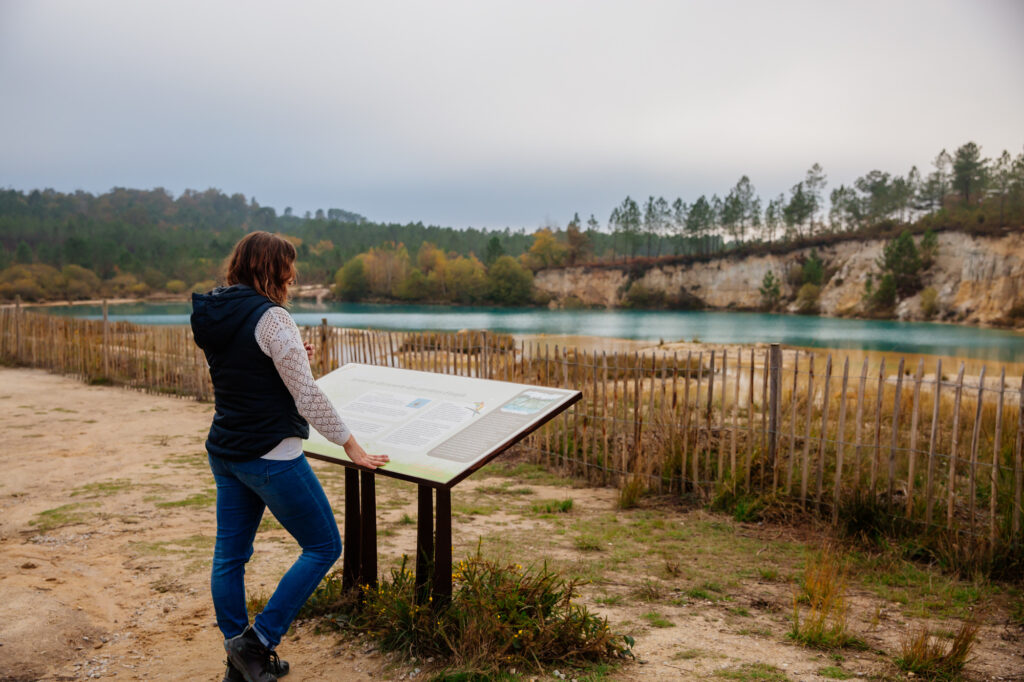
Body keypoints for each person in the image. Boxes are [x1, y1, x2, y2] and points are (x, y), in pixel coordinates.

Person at [191, 231, 389, 682]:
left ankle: (239, 664)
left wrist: (291, 357)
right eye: (288, 267)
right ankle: (257, 643)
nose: (293, 276)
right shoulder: (274, 318)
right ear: (271, 268)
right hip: (269, 453)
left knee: (229, 557)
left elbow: (236, 369)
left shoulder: (214, 312)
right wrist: (350, 445)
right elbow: (307, 395)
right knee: (324, 546)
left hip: (225, 449)